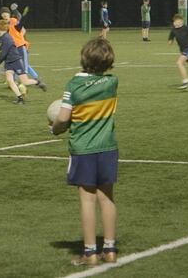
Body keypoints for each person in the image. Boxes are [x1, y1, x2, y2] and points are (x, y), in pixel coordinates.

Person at [49, 38, 119, 266]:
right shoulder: (112, 82)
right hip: (108, 147)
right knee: (107, 198)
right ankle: (110, 250)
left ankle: (90, 253)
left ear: (84, 58)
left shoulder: (74, 85)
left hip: (83, 148)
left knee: (88, 201)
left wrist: (54, 129)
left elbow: (63, 118)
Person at [0, 19, 46, 104]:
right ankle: (20, 98)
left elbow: (4, 52)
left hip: (16, 59)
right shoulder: (5, 35)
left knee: (25, 80)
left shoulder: (10, 31)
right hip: (9, 61)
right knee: (10, 80)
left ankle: (37, 82)